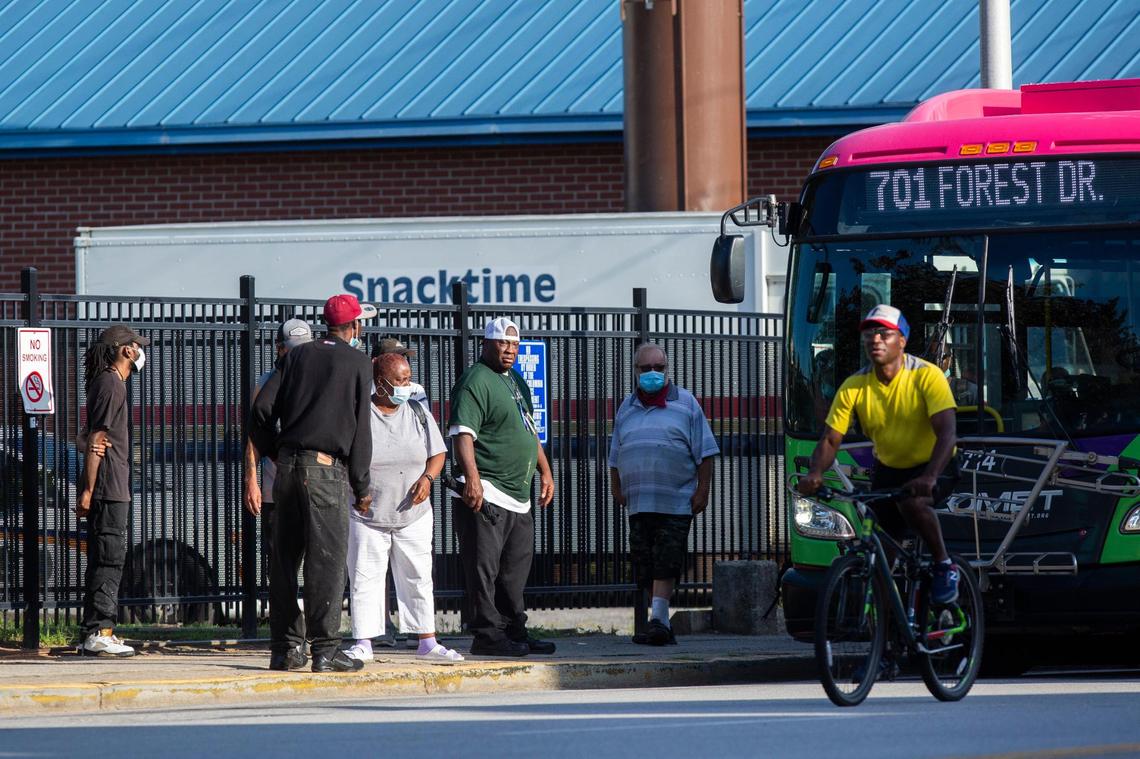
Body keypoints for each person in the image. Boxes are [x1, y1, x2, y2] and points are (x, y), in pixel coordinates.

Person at [797, 304, 961, 604]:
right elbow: (831, 439)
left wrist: (930, 477)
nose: (875, 339)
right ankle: (886, 628)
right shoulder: (855, 385)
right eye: (870, 333)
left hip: (935, 462)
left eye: (885, 333)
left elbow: (947, 433)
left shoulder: (927, 376)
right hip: (890, 467)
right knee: (880, 546)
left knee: (913, 503)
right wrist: (815, 473)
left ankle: (943, 565)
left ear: (902, 341)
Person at [250, 293, 375, 672]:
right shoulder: (357, 361)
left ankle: (286, 649)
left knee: (284, 562)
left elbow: (260, 409)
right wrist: (362, 485)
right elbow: (361, 431)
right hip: (325, 472)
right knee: (327, 562)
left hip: (286, 471)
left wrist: (275, 450)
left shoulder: (297, 355)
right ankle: (325, 649)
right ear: (354, 326)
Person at [345, 353, 463, 664]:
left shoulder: (417, 411)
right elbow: (344, 458)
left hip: (414, 514)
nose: (406, 385)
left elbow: (437, 453)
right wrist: (358, 490)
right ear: (380, 383)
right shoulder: (360, 414)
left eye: (408, 379)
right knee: (365, 577)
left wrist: (428, 477)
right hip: (368, 514)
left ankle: (427, 640)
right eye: (399, 380)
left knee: (418, 576)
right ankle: (364, 642)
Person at [448, 317, 555, 657]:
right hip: (488, 490)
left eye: (514, 345)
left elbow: (529, 431)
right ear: (487, 343)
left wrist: (546, 471)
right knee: (485, 567)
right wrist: (473, 479)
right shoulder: (475, 381)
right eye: (502, 344)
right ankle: (487, 634)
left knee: (514, 569)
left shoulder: (514, 381)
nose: (509, 350)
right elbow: (463, 433)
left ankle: (514, 630)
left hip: (518, 493)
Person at [608, 342, 719, 646]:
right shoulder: (626, 408)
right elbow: (615, 453)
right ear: (636, 372)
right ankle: (657, 622)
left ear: (667, 369)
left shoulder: (686, 403)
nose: (654, 373)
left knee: (666, 559)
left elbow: (706, 452)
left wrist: (702, 490)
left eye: (660, 368)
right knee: (644, 561)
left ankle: (659, 620)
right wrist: (616, 486)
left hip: (676, 501)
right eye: (647, 369)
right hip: (639, 501)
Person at [75, 324, 149, 657]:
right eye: (137, 345)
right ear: (125, 351)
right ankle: (98, 632)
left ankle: (98, 630)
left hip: (112, 485)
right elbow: (95, 441)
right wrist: (89, 490)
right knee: (109, 558)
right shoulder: (110, 384)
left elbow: (86, 437)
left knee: (107, 557)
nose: (140, 351)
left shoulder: (110, 384)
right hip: (108, 488)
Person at [242, 317, 312, 668]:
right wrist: (251, 480)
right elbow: (254, 436)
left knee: (318, 567)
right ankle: (289, 641)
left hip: (313, 487)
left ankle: (318, 640)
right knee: (282, 571)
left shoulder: (317, 381)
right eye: (292, 350)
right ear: (280, 349)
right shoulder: (267, 383)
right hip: (275, 489)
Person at [372, 336, 427, 403]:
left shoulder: (416, 390)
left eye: (403, 357)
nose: (401, 361)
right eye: (394, 358)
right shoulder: (363, 390)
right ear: (375, 361)